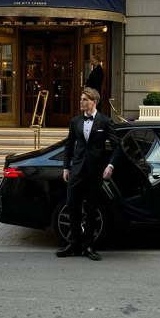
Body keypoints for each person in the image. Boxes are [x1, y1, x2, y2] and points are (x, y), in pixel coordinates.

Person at [56, 87, 121, 261]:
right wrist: (66, 167)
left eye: (85, 99)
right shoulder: (75, 121)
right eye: (81, 99)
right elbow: (69, 146)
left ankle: (88, 246)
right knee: (72, 206)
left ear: (94, 101)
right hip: (76, 171)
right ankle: (74, 243)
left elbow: (117, 147)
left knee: (92, 208)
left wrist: (110, 166)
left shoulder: (105, 122)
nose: (81, 101)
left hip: (95, 172)